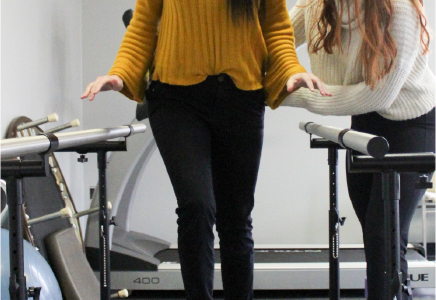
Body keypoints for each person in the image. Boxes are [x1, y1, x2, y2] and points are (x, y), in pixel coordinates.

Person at [81, 0, 330, 299]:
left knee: (236, 217)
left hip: (241, 98)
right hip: (176, 100)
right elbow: (143, 25)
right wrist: (120, 73)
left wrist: (291, 70)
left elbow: (276, 30)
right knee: (197, 207)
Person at [285, 0, 435, 298]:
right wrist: (278, 74)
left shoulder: (401, 9)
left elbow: (378, 95)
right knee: (375, 237)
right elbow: (276, 38)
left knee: (384, 236)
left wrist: (288, 95)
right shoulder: (317, 5)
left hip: (411, 123)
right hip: (365, 123)